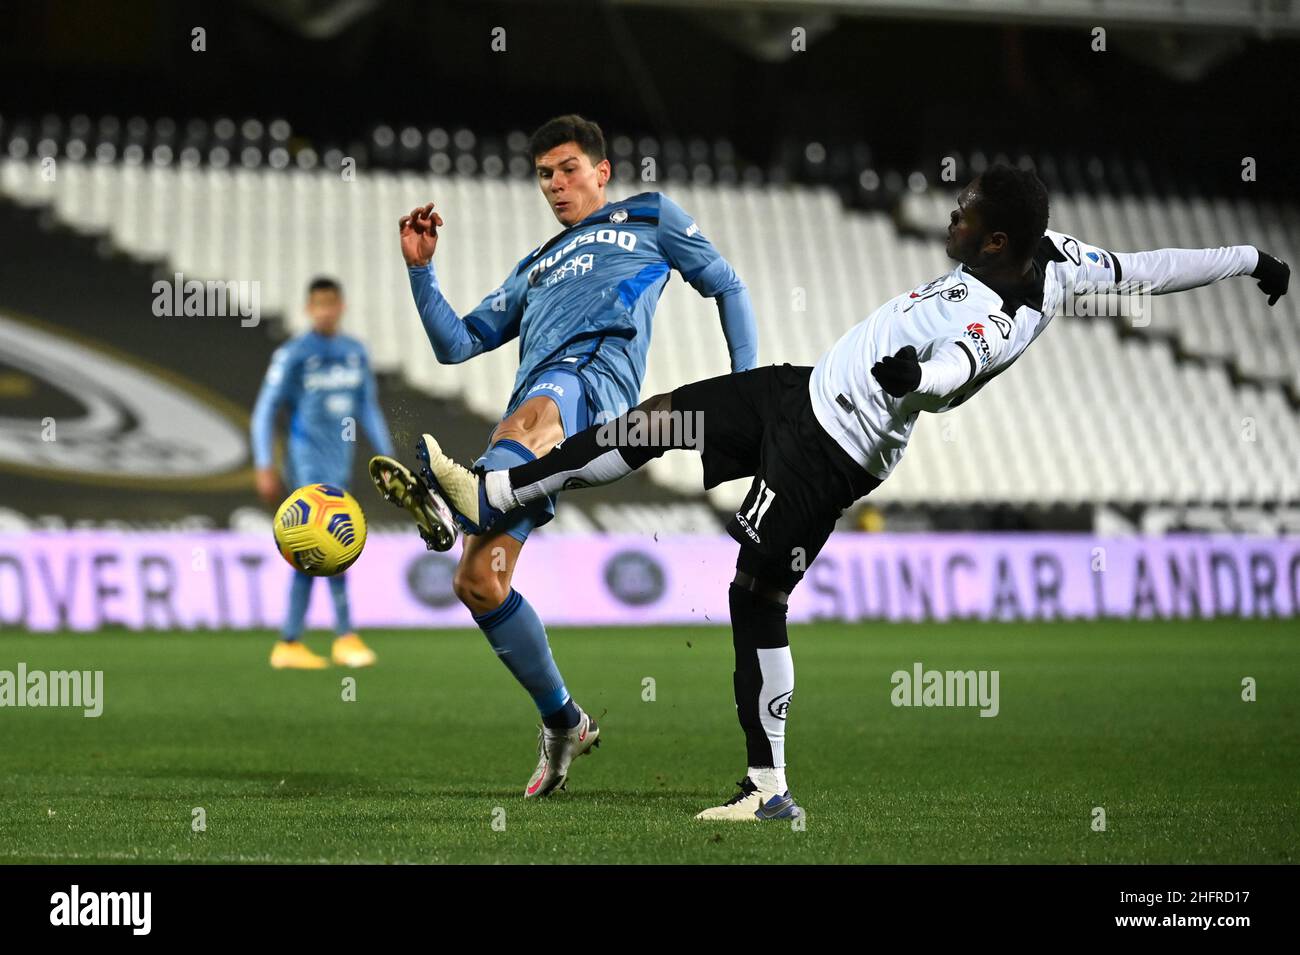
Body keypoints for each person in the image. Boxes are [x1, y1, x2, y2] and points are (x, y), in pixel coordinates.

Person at [390, 163, 1290, 819]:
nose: (952, 214)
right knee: (658, 418)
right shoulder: (1059, 255)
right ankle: (495, 494)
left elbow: (953, 369)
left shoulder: (1005, 317)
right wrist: (1251, 255)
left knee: (755, 594)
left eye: (965, 213)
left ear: (995, 241)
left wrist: (915, 376)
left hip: (835, 449)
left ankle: (769, 787)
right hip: (799, 389)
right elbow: (1150, 268)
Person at [370, 113, 758, 798]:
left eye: (568, 168)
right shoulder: (537, 263)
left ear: (601, 172)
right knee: (477, 583)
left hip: (591, 391)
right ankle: (564, 721)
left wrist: (745, 387)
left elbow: (727, 284)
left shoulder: (651, 216)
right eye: (544, 174)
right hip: (526, 439)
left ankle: (457, 498)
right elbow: (456, 344)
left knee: (541, 402)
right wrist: (421, 272)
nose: (555, 184)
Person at [252, 276, 394, 669]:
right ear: (308, 309)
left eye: (332, 304)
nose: (326, 311)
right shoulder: (294, 354)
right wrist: (264, 462)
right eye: (318, 305)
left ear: (342, 306)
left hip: (339, 467)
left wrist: (387, 457)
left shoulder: (355, 352)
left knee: (318, 552)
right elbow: (265, 410)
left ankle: (292, 643)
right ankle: (341, 637)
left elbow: (368, 408)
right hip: (305, 465)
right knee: (323, 547)